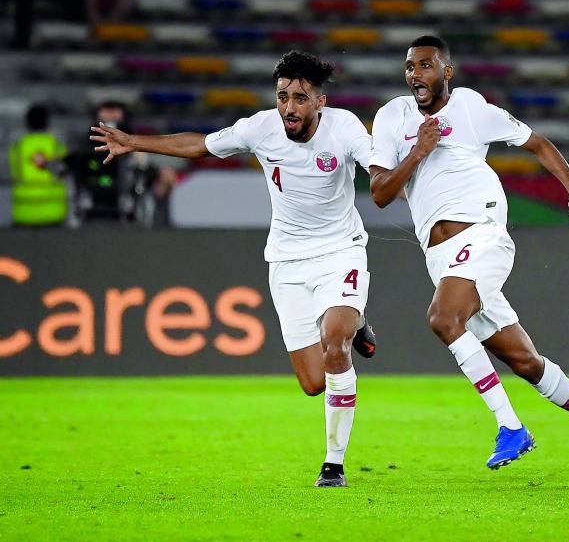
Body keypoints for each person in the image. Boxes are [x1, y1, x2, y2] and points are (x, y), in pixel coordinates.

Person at [90, 51, 379, 488]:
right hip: (286, 260)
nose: (289, 107)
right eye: (283, 96)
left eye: (300, 98)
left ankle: (333, 464)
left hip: (341, 251)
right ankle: (352, 321)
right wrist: (134, 141)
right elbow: (200, 145)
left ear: (320, 102)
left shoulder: (346, 129)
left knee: (334, 345)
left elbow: (380, 169)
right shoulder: (261, 127)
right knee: (314, 383)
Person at [369, 36, 569, 479]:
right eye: (409, 66)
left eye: (426, 66)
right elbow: (380, 194)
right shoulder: (390, 117)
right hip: (441, 258)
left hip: (484, 233)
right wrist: (419, 149)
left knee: (442, 318)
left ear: (447, 72)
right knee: (525, 362)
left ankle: (510, 426)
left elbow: (537, 143)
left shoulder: (471, 108)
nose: (416, 74)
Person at [9, 105, 68, 227]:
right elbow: (64, 171)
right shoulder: (56, 145)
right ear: (47, 121)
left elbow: (12, 172)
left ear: (27, 122)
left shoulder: (18, 146)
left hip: (23, 213)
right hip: (54, 212)